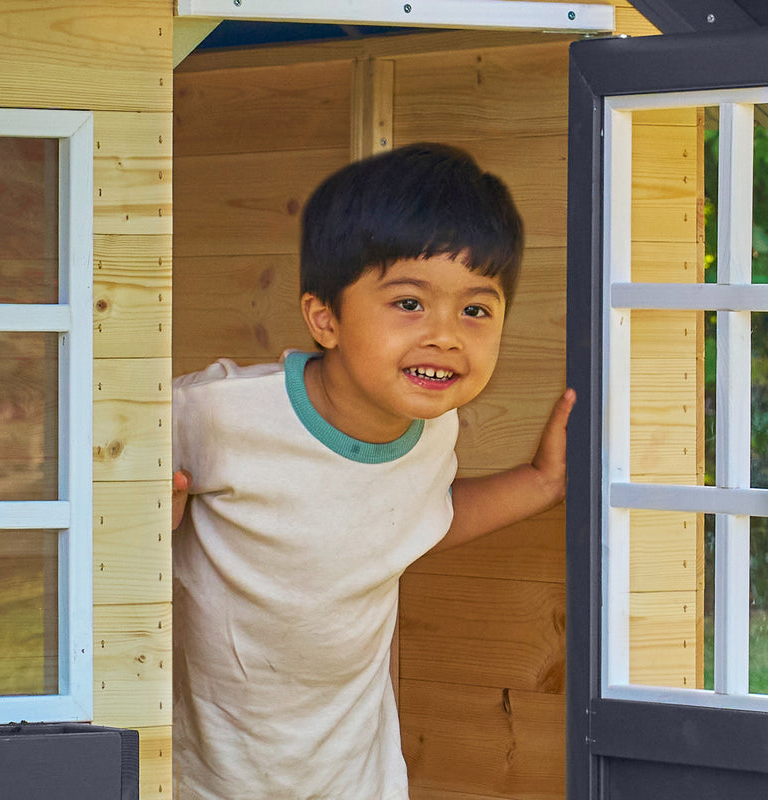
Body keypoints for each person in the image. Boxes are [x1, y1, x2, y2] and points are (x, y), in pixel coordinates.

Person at [171, 142, 575, 800]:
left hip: (357, 778)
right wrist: (141, 512)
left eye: (475, 309)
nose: (445, 335)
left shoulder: (433, 431)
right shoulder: (216, 414)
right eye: (410, 304)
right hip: (208, 776)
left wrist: (541, 481)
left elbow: (408, 521)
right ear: (324, 318)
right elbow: (95, 475)